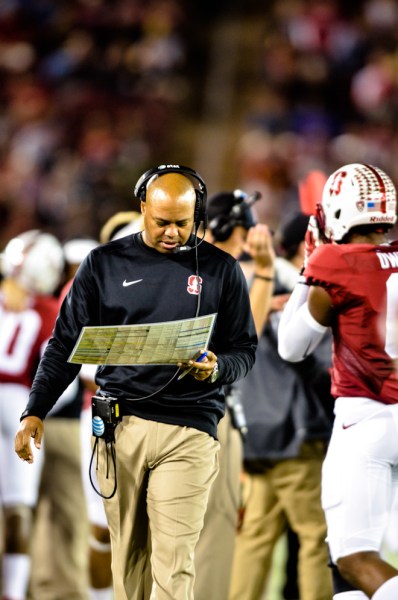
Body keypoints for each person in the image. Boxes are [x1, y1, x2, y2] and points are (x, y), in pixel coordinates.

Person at [14, 164, 258, 600]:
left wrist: (218, 366)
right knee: (128, 564)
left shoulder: (222, 270)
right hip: (117, 427)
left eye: (183, 223)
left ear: (198, 214)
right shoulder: (103, 264)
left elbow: (245, 350)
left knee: (174, 561)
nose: (172, 232)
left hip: (190, 428)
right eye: (162, 221)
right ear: (141, 205)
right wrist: (35, 410)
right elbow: (64, 345)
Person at [278, 163, 398, 600]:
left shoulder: (335, 262)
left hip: (365, 419)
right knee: (351, 565)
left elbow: (291, 346)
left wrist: (310, 266)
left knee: (353, 557)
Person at [228, 211, 334, 600]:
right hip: (295, 434)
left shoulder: (250, 286)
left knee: (255, 535)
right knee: (317, 535)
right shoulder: (300, 293)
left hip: (255, 433)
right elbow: (321, 368)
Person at [193, 189, 275, 600]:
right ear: (228, 227)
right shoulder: (222, 271)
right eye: (244, 228)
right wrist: (264, 271)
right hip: (209, 415)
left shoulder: (173, 267)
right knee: (214, 528)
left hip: (156, 413)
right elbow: (247, 336)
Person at [28, 238, 98, 600]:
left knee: (32, 510)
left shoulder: (40, 302)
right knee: (71, 513)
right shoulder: (80, 293)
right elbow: (77, 374)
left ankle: (34, 585)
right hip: (65, 418)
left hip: (31, 415)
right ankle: (66, 590)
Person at [0, 230, 64, 600]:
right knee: (19, 505)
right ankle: (12, 591)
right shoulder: (47, 313)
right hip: (20, 404)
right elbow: (62, 382)